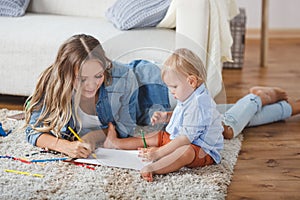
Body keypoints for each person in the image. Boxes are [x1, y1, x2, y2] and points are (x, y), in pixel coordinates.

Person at [24, 34, 170, 158]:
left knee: (185, 124)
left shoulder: (123, 78)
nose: (91, 85)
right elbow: (32, 131)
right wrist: (64, 146)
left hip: (154, 84)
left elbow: (125, 131)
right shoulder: (53, 83)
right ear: (66, 75)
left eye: (98, 75)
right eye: (82, 79)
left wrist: (92, 137)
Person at [104, 48, 224, 182]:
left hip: (202, 149)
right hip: (183, 138)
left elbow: (185, 139)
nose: (171, 91)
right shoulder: (189, 94)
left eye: (174, 86)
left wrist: (158, 153)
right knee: (157, 136)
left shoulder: (199, 104)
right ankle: (115, 143)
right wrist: (166, 116)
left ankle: (154, 168)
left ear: (191, 81)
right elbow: (184, 116)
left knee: (185, 151)